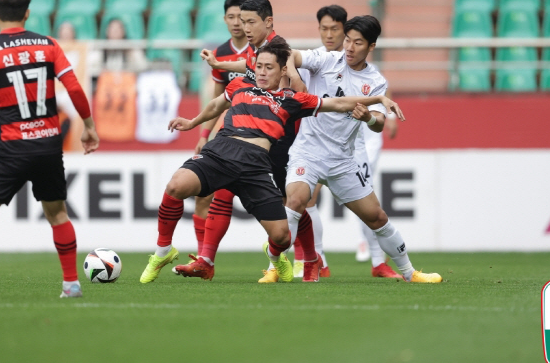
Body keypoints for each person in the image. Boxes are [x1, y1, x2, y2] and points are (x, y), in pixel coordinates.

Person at [139, 36, 404, 284]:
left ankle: (277, 260)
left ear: (282, 72)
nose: (263, 72)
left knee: (280, 236)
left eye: (269, 68)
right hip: (220, 154)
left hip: (255, 167)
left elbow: (339, 103)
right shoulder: (239, 85)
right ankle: (163, 251)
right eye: (260, 67)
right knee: (175, 186)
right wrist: (193, 123)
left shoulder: (293, 100)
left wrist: (378, 98)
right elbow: (215, 106)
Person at [0, 0, 99, 298]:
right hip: (47, 144)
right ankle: (71, 284)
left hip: (11, 148)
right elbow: (73, 89)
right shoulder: (49, 46)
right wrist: (89, 127)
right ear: (27, 13)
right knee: (57, 214)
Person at [282, 15, 442, 284]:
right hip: (307, 152)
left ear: (371, 46)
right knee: (296, 201)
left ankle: (409, 272)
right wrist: (296, 82)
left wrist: (367, 117)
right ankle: (277, 265)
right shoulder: (327, 59)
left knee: (377, 217)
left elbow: (379, 124)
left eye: (358, 42)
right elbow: (287, 54)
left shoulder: (375, 81)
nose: (350, 47)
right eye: (348, 40)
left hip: (343, 160)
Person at [174, 0, 321, 282]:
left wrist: (291, 77)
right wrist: (220, 64)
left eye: (250, 22)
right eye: (242, 21)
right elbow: (251, 69)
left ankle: (310, 259)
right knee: (224, 191)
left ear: (268, 22)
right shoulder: (257, 52)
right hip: (249, 138)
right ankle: (206, 260)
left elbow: (299, 92)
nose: (245, 27)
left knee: (289, 201)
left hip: (280, 138)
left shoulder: (282, 50)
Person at [288, 5, 400, 280]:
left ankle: (378, 261)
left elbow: (377, 96)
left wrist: (377, 117)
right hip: (315, 145)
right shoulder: (320, 58)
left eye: (335, 29)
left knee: (369, 208)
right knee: (306, 198)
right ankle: (319, 260)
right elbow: (286, 59)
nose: (329, 34)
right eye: (323, 28)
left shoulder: (366, 69)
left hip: (352, 145)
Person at [182, 0, 248, 264]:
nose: (236, 22)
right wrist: (203, 135)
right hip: (229, 134)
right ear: (224, 19)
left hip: (263, 135)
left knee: (283, 198)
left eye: (241, 18)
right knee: (204, 193)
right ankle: (203, 258)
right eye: (230, 17)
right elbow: (217, 102)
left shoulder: (263, 51)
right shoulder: (220, 53)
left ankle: (297, 258)